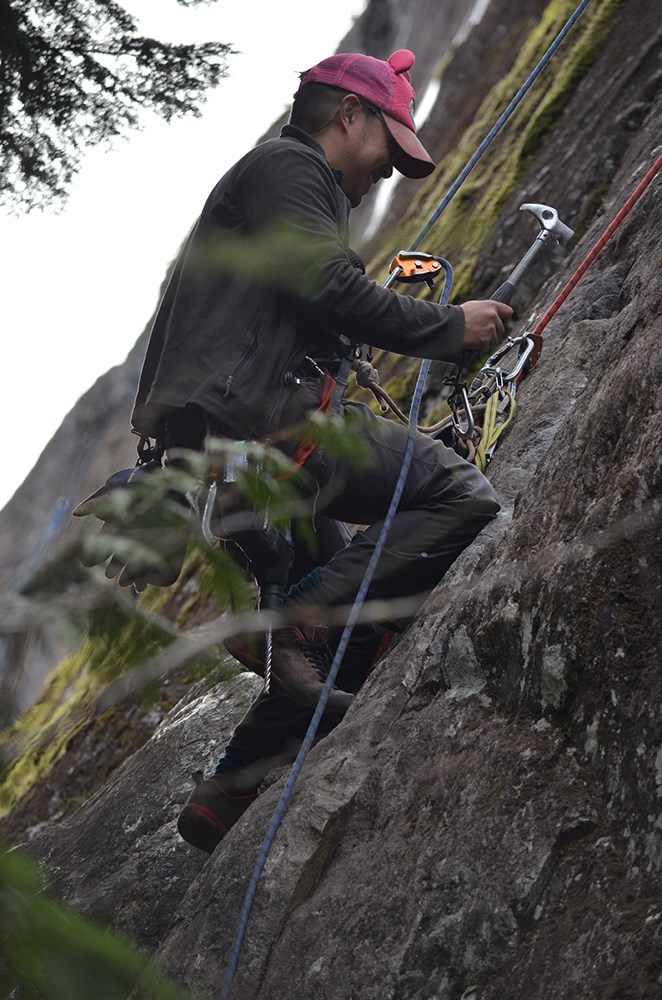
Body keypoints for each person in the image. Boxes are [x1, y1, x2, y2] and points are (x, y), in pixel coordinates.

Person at [129, 49, 511, 852]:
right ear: (349, 117)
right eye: (387, 151)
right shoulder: (288, 168)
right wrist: (452, 329)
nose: (385, 176)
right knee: (458, 495)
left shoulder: (285, 194)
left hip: (227, 453)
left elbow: (311, 305)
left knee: (343, 627)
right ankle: (288, 623)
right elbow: (331, 289)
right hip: (266, 434)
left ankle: (224, 794)